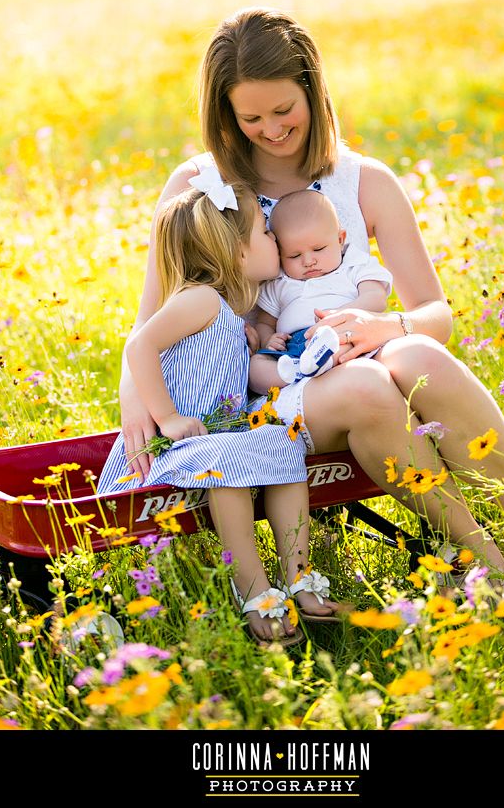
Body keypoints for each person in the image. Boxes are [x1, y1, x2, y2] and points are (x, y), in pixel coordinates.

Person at [119, 6, 504, 583]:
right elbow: (148, 323)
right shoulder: (200, 187)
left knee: (418, 354)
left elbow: (436, 315)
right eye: (250, 117)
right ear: (224, 113)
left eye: (284, 110)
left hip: (353, 355)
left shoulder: (363, 181)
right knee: (367, 386)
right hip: (253, 397)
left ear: (313, 90)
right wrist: (138, 404)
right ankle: (489, 567)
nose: (271, 129)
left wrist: (386, 328)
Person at [97, 172, 340, 644]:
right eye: (266, 233)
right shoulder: (201, 299)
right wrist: (167, 418)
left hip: (213, 437)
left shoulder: (226, 311)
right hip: (170, 446)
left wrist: (254, 344)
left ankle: (299, 574)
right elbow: (140, 346)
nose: (275, 238)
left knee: (279, 440)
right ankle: (252, 588)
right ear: (237, 252)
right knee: (228, 461)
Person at [249, 188, 393, 391]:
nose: (308, 261)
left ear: (340, 239)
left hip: (344, 334)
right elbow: (264, 321)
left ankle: (322, 362)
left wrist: (342, 315)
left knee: (340, 345)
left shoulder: (353, 265)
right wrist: (269, 339)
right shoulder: (281, 282)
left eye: (318, 249)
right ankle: (293, 374)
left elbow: (376, 297)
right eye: (294, 256)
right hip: (292, 349)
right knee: (255, 368)